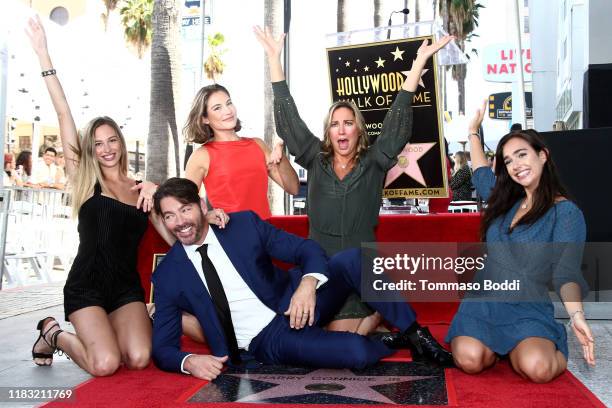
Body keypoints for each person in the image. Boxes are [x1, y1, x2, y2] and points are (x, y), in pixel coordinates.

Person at [26, 16, 228, 376]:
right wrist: (43, 55)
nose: (106, 149)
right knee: (104, 364)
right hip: (86, 286)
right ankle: (54, 333)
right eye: (98, 144)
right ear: (91, 149)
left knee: (137, 358)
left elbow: (174, 237)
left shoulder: (142, 191)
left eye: (112, 140)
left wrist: (201, 217)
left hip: (124, 289)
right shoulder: (87, 181)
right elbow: (63, 112)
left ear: (121, 142)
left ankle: (98, 334)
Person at [255, 26, 453, 335]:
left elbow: (397, 122)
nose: (342, 130)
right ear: (328, 132)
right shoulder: (314, 159)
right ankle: (376, 320)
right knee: (312, 334)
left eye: (348, 123)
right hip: (320, 273)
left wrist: (419, 64)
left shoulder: (375, 161)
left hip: (363, 274)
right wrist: (273, 58)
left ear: (358, 129)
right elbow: (288, 120)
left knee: (342, 337)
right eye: (335, 124)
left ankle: (373, 313)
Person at [151, 178, 453, 379]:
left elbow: (305, 248)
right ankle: (387, 340)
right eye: (169, 216)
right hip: (269, 338)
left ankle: (416, 334)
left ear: (202, 206)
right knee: (357, 352)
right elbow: (163, 348)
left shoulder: (242, 225)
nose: (180, 222)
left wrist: (308, 285)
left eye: (185, 209)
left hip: (295, 298)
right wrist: (189, 362)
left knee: (353, 259)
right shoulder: (169, 274)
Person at [445, 101, 595, 383]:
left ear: (543, 155)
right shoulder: (505, 198)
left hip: (528, 305)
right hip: (485, 300)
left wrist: (576, 316)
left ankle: (538, 343)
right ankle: (498, 346)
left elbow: (566, 272)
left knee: (538, 368)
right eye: (508, 161)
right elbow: (479, 172)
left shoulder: (565, 213)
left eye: (522, 155)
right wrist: (473, 132)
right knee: (469, 359)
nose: (515, 165)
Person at [184, 83, 299, 220]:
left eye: (229, 103)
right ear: (205, 118)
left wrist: (281, 157)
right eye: (217, 108)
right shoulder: (201, 156)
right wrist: (207, 217)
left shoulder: (257, 144)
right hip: (229, 234)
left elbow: (293, 188)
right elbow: (185, 203)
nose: (228, 111)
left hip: (265, 232)